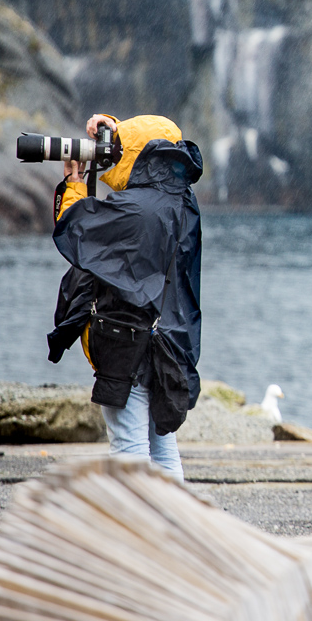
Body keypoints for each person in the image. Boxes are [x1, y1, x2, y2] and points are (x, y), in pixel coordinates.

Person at [44, 113, 204, 481]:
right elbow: (145, 145)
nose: (113, 154)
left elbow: (76, 230)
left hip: (127, 341)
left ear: (136, 154)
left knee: (129, 453)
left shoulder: (135, 210)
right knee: (163, 450)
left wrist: (74, 181)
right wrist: (111, 126)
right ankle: (178, 532)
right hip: (168, 341)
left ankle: (138, 534)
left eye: (118, 147)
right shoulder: (179, 200)